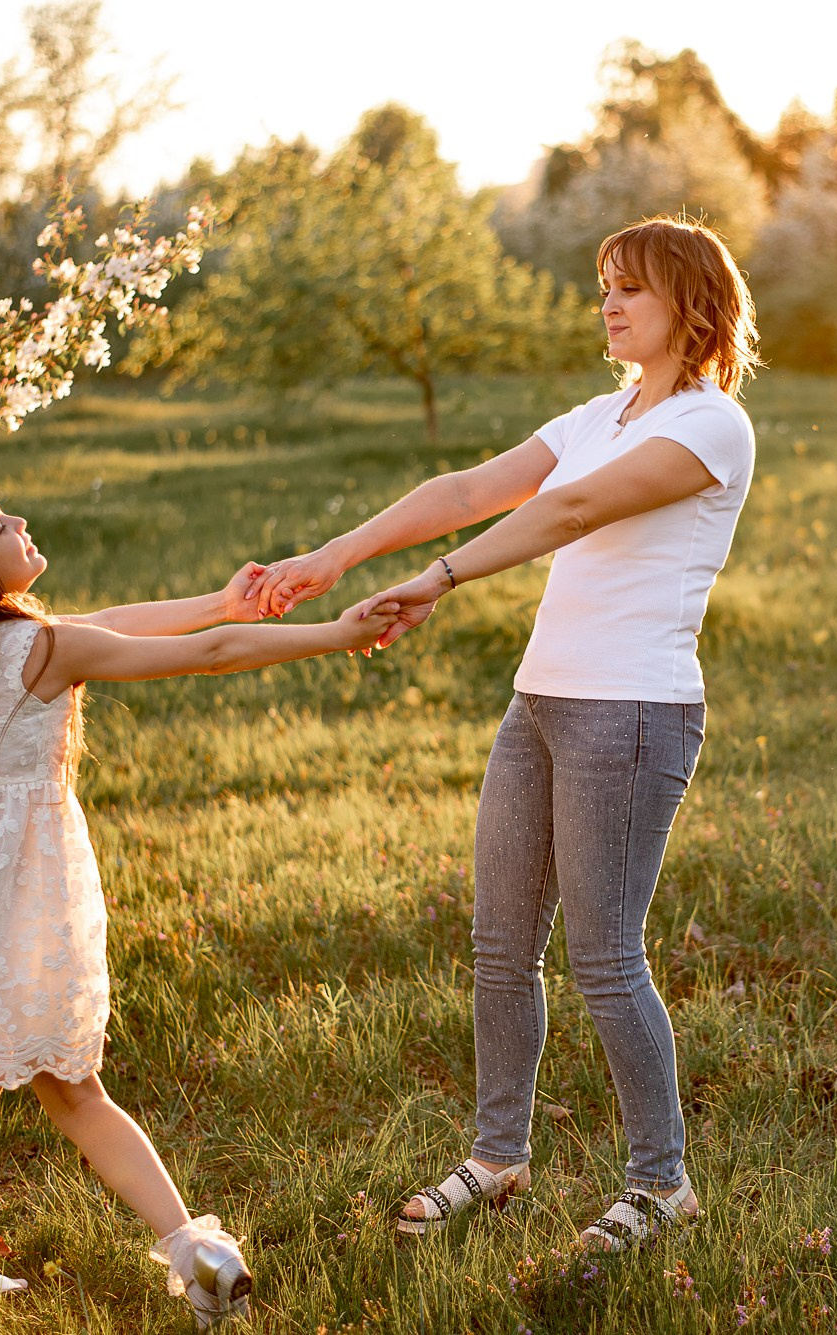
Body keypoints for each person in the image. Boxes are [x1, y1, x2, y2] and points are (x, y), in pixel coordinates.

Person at [253, 216, 759, 1252]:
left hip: (632, 713)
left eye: (631, 289)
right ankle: (497, 1157)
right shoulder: (600, 413)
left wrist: (440, 578)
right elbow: (472, 490)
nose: (608, 304)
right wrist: (335, 557)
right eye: (603, 286)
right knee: (499, 950)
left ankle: (661, 1184)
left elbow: (567, 515)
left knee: (606, 957)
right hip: (539, 705)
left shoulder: (710, 426)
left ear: (690, 304)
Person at [0, 481, 395, 1323]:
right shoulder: (40, 647)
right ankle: (190, 1249)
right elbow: (206, 656)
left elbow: (114, 621)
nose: (18, 521)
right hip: (22, 900)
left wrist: (220, 599)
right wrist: (334, 633)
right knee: (70, 1086)